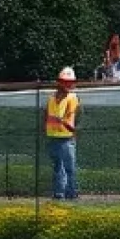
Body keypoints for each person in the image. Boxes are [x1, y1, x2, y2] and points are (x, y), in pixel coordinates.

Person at [44, 67, 81, 201]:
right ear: (59, 82)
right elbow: (47, 115)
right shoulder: (51, 98)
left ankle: (70, 193)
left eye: (70, 82)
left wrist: (63, 123)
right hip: (53, 136)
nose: (68, 84)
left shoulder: (72, 98)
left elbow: (70, 119)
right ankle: (59, 194)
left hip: (66, 137)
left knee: (68, 168)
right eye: (65, 81)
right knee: (58, 167)